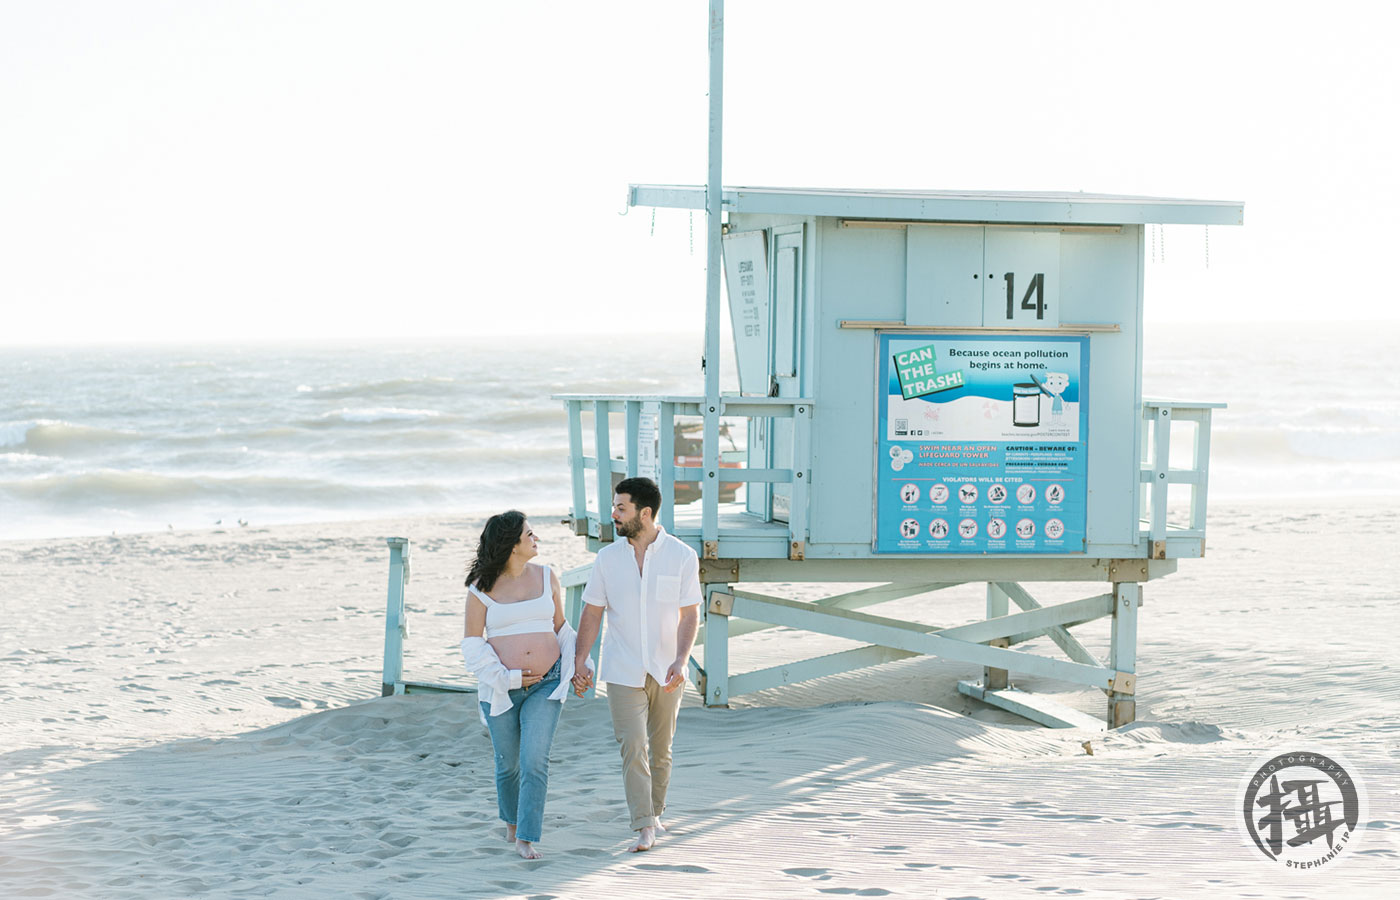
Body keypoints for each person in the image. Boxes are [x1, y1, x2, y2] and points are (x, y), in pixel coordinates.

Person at [571, 477, 701, 852]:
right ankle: (643, 824)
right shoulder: (607, 559)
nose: (613, 514)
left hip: (666, 669)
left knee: (662, 748)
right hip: (621, 667)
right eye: (614, 506)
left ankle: (655, 812)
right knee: (633, 745)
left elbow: (690, 614)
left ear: (645, 513)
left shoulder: (681, 556)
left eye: (621, 508)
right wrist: (581, 659)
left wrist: (680, 659)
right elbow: (592, 613)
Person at [460, 510, 589, 860]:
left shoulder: (548, 577)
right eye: (529, 534)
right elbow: (472, 644)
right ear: (511, 545)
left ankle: (526, 836)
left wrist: (581, 664)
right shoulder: (481, 588)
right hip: (501, 690)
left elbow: (562, 628)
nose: (536, 539)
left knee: (534, 761)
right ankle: (512, 823)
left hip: (546, 684)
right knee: (509, 764)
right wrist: (507, 677)